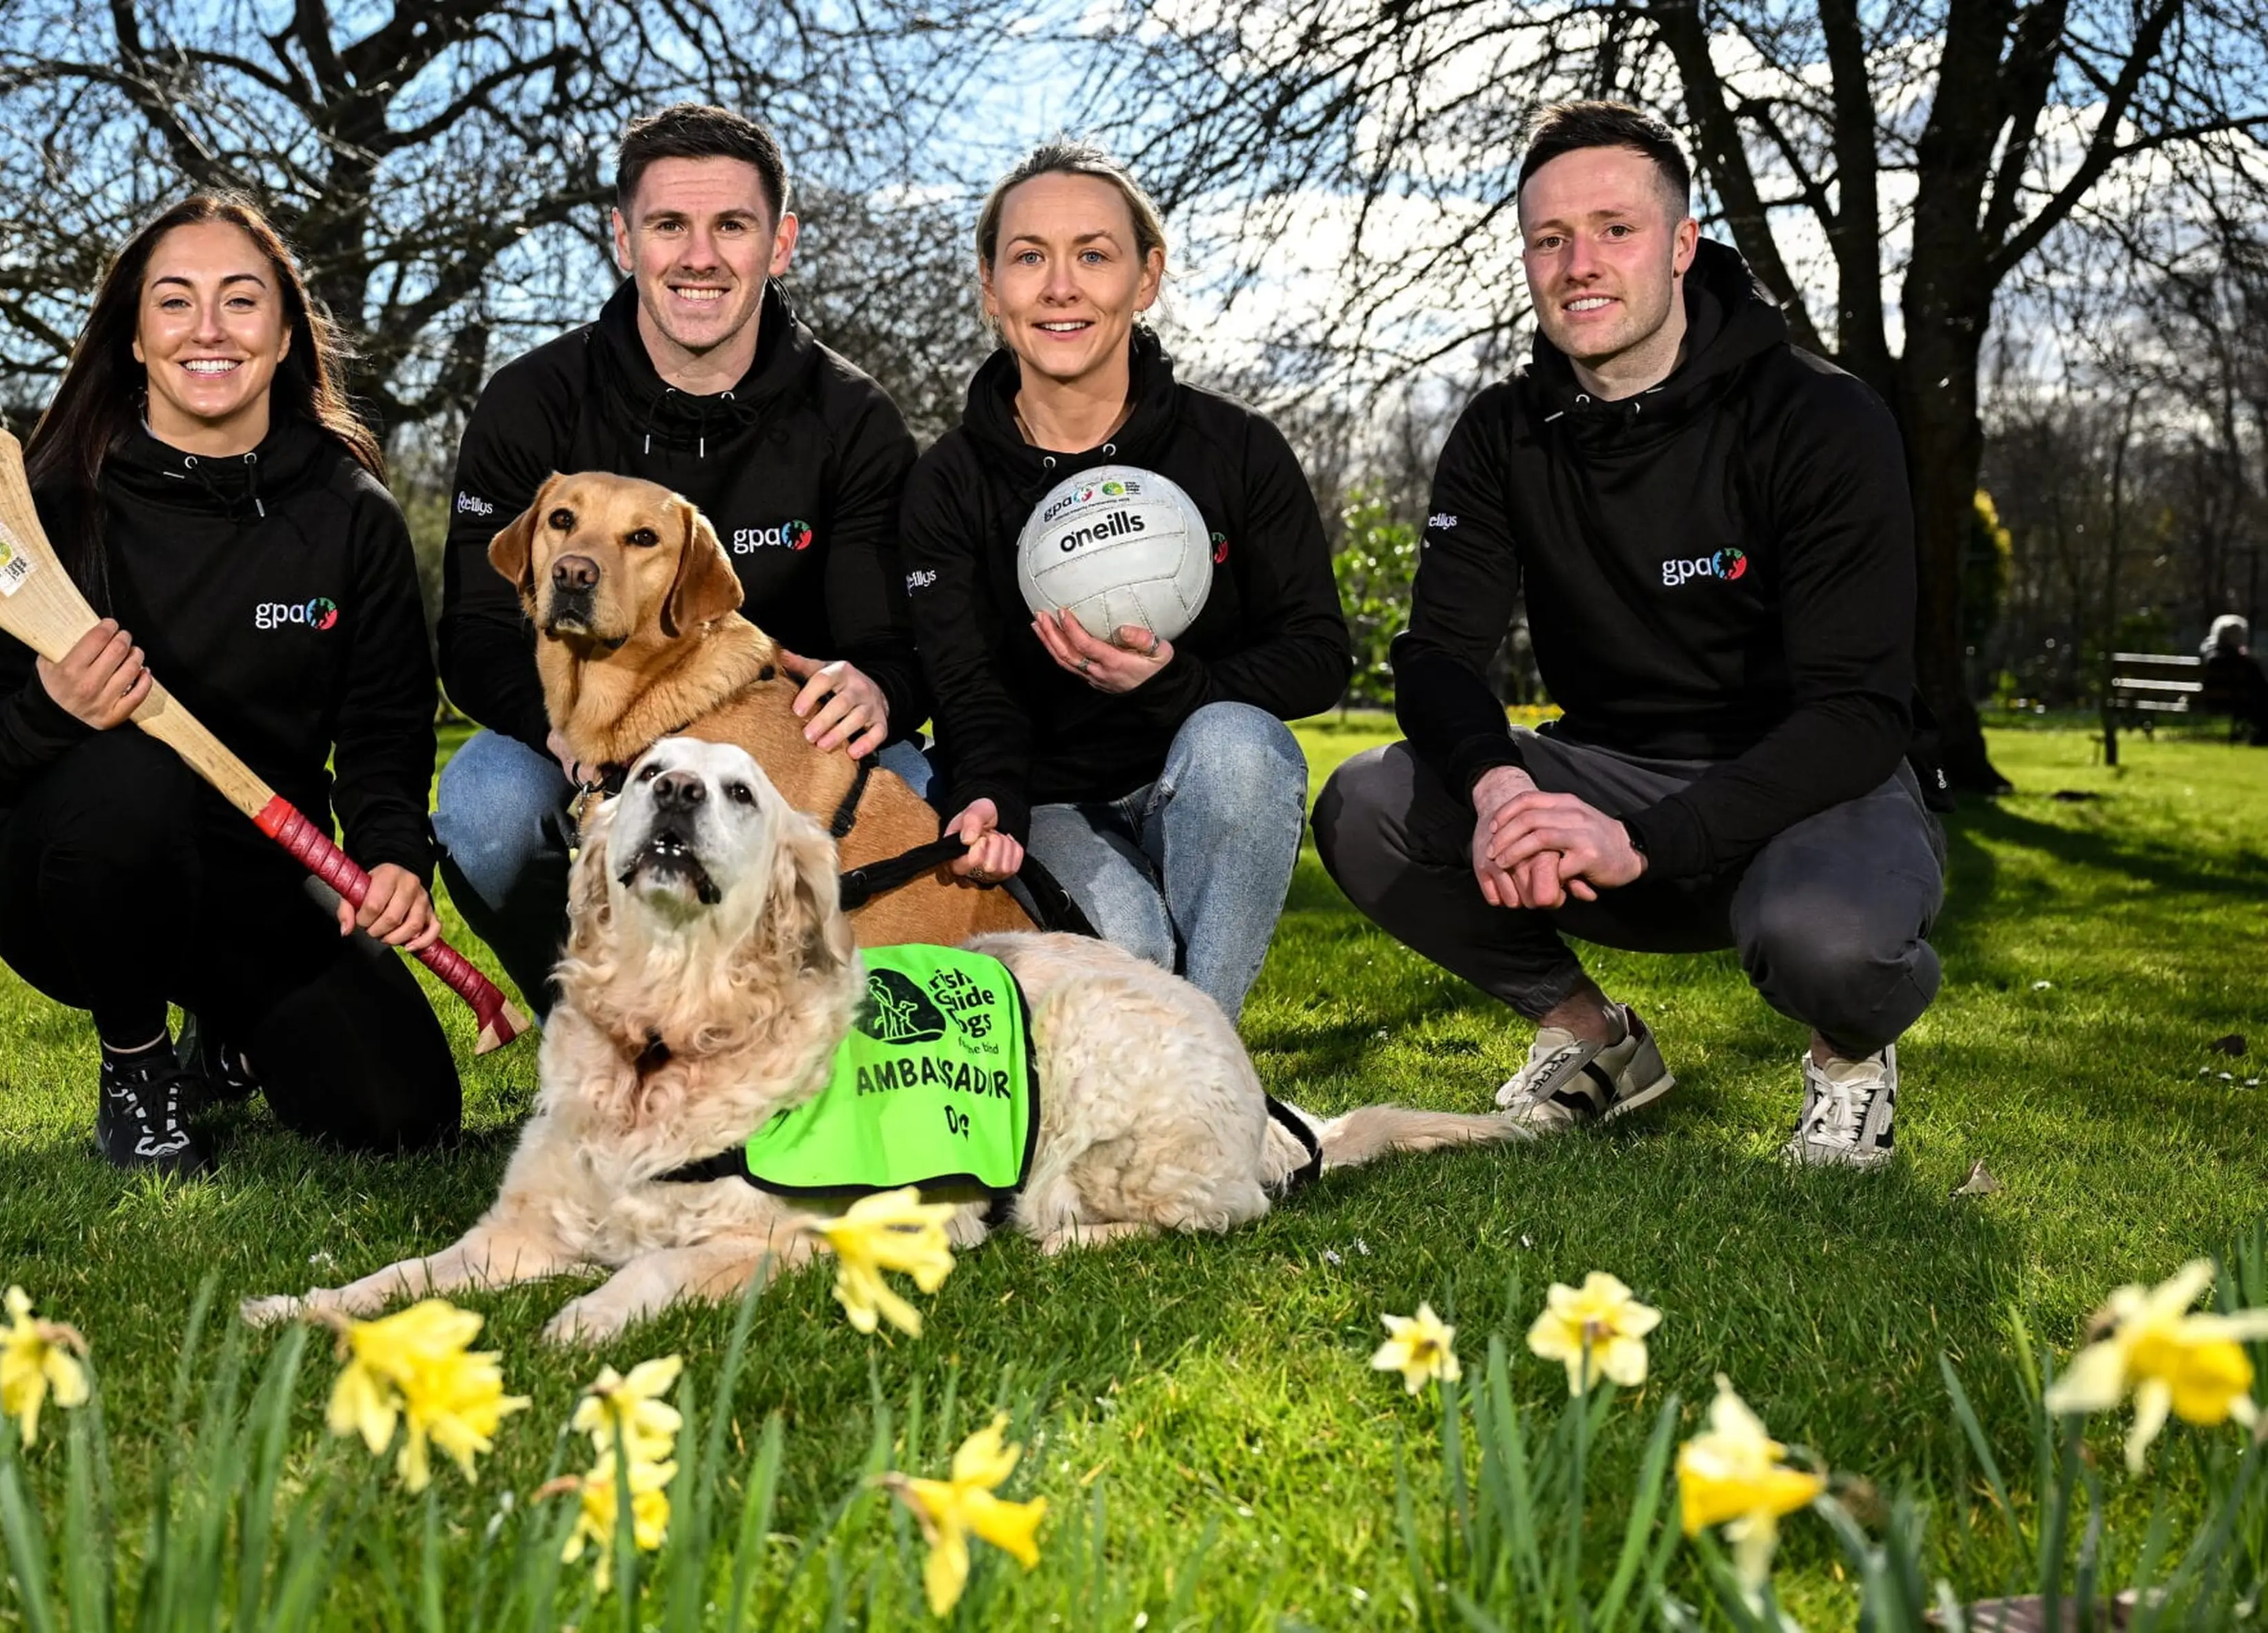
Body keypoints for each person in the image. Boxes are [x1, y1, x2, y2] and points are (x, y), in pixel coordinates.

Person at [1312, 102, 1945, 1168]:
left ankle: (1847, 1060)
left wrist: (1649, 842)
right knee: (1368, 802)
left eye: (1616, 228)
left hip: (1812, 785)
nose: (1579, 263)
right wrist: (1501, 789)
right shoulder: (1504, 431)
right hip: (1608, 770)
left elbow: (1858, 712)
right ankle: (1591, 1037)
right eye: (1550, 238)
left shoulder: (1818, 417)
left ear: (1684, 244)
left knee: (1828, 945)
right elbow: (1436, 655)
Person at [0, 194, 458, 1177]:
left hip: (260, 882)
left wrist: (392, 856)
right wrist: (55, 707)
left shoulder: (352, 515)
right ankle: (138, 1067)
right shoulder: (48, 503)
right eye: (175, 302)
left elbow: (384, 729)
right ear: (134, 337)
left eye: (241, 300)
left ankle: (227, 1030)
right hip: (72, 880)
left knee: (403, 1117)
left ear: (285, 331)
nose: (208, 330)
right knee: (137, 777)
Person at [432, 104, 927, 1019]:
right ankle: (598, 1026)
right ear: (624, 238)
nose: (700, 256)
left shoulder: (856, 419)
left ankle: (849, 1053)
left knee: (924, 803)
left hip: (791, 744)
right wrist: (574, 741)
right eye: (669, 225)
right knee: (486, 806)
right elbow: (472, 632)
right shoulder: (530, 402)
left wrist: (878, 688)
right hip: (581, 730)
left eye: (731, 225)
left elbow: (894, 642)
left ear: (779, 244)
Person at [901, 142, 1351, 1025]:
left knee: (1240, 745)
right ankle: (1192, 1061)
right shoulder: (947, 482)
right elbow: (965, 687)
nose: (1061, 286)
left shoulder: (1239, 449)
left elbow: (1318, 656)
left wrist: (1181, 685)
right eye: (1029, 257)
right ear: (991, 289)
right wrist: (989, 791)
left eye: (1094, 254)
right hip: (1054, 796)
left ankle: (1201, 1059)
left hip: (1203, 780)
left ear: (1147, 277)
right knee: (1134, 956)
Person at [2198, 614, 2268, 744]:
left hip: (2212, 702)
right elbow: (2262, 686)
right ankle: (2262, 736)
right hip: (2240, 702)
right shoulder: (2246, 663)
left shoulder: (2209, 658)